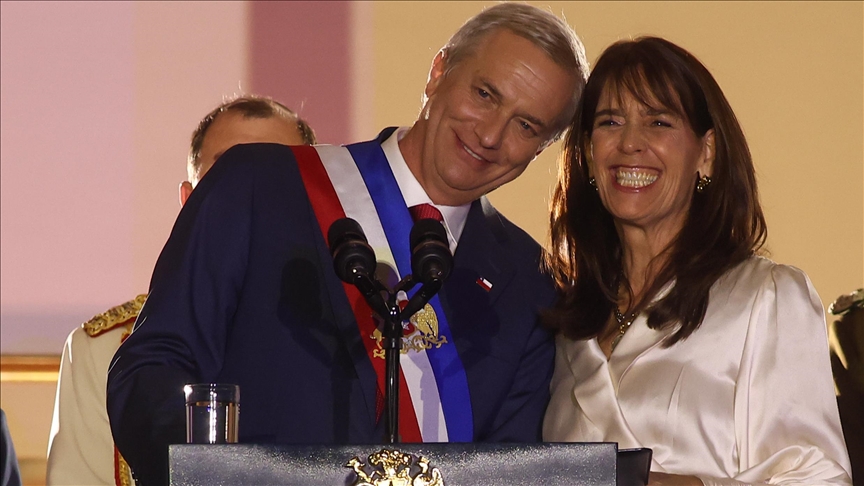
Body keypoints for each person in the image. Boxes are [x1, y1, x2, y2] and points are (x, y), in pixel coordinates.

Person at [107, 3, 588, 485]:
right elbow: (153, 368)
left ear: (544, 146)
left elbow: (509, 467)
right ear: (438, 72)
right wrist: (214, 475)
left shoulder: (531, 283)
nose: (490, 134)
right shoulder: (259, 187)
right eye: (484, 94)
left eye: (527, 125)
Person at [542, 36, 852, 485]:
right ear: (589, 153)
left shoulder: (765, 297)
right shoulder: (567, 326)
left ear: (705, 153)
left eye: (659, 123)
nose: (630, 143)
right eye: (610, 121)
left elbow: (818, 478)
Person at [45, 95, 315, 486]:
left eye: (279, 176)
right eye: (228, 179)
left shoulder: (359, 337)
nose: (253, 200)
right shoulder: (103, 350)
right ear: (189, 202)